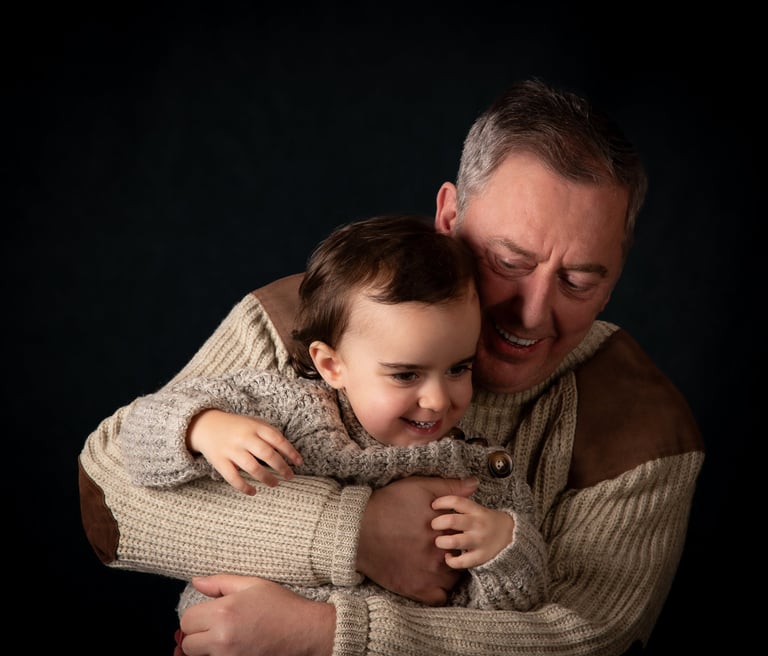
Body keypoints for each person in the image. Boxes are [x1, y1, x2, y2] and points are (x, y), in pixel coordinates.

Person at [78, 78, 705, 655]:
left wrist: (327, 635)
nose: (534, 314)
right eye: (509, 261)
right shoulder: (308, 319)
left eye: (577, 281)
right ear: (451, 217)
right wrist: (356, 534)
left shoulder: (641, 422)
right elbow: (108, 501)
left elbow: (589, 639)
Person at [116, 214, 548, 621]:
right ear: (331, 365)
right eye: (405, 375)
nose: (437, 400)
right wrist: (202, 427)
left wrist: (504, 546)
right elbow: (135, 438)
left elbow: (508, 614)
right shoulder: (289, 411)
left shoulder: (475, 476)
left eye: (458, 368)